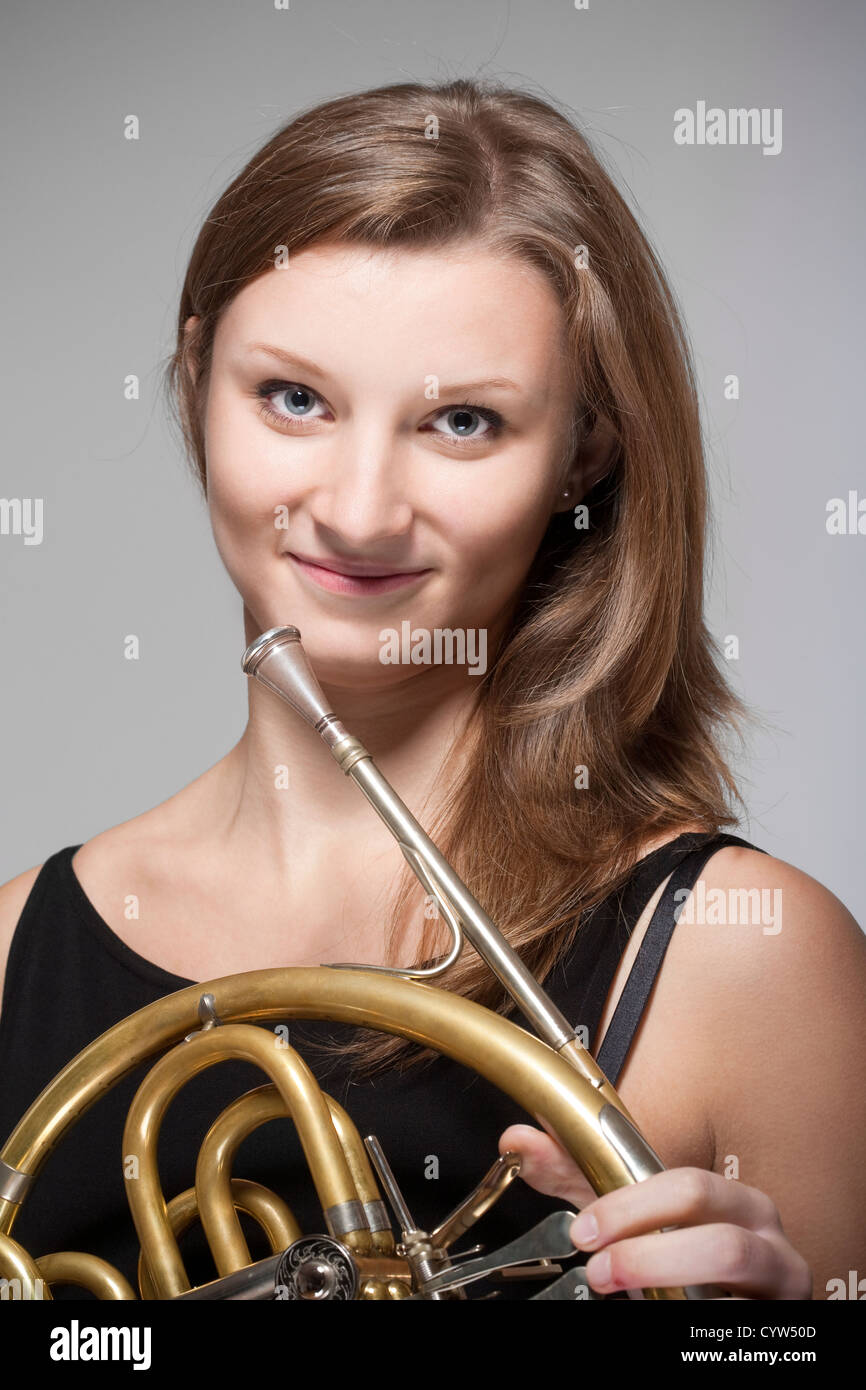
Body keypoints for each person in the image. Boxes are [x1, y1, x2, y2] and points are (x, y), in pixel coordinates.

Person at [1, 77, 863, 1303]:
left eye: (461, 421)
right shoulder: (10, 952)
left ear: (585, 449)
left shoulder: (747, 962)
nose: (357, 510)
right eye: (292, 398)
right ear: (196, 377)